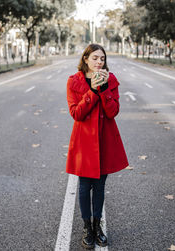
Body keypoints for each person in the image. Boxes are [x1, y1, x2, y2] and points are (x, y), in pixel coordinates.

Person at [66, 44, 129, 249]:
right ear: (85, 59)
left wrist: (103, 90)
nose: (99, 62)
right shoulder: (74, 81)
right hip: (84, 141)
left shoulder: (110, 80)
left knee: (100, 186)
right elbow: (77, 113)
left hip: (104, 140)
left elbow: (113, 111)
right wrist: (92, 91)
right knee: (84, 186)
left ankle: (97, 225)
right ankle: (87, 227)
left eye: (102, 58)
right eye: (94, 58)